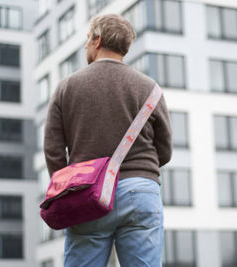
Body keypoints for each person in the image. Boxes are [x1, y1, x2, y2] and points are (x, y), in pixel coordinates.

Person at [43, 13, 173, 267]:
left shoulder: (66, 87)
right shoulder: (150, 88)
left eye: (87, 40)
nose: (85, 46)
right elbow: (165, 150)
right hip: (140, 190)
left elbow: (53, 151)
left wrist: (69, 189)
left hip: (86, 194)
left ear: (97, 40)